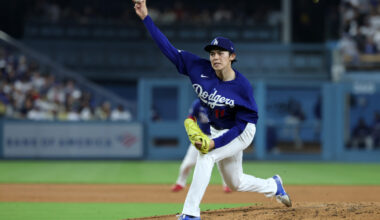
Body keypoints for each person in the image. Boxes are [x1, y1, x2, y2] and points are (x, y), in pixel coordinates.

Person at [133, 1, 291, 219]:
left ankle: (190, 213)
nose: (215, 57)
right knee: (235, 183)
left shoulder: (242, 87)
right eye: (212, 53)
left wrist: (216, 143)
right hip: (217, 129)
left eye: (221, 53)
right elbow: (167, 49)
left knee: (206, 156)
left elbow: (242, 126)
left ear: (232, 57)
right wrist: (146, 18)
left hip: (241, 131)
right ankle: (274, 186)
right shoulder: (198, 68)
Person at [172, 99, 232, 193]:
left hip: (217, 136)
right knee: (188, 163)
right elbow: (191, 117)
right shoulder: (197, 104)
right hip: (202, 136)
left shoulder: (220, 103)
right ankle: (180, 183)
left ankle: (227, 185)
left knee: (223, 163)